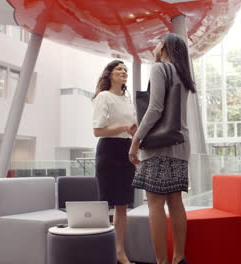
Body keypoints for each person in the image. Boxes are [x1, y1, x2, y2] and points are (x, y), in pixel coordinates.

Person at [128, 33, 196, 264]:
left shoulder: (159, 68)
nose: (155, 46)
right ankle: (178, 258)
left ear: (165, 47)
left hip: (158, 147)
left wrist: (136, 139)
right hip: (180, 143)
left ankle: (162, 261)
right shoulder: (184, 74)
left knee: (155, 203)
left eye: (158, 42)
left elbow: (155, 108)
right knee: (175, 200)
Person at [92, 60, 137, 264]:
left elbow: (130, 129)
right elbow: (97, 131)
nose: (124, 71)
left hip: (126, 151)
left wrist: (134, 134)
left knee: (123, 204)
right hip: (109, 150)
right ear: (110, 74)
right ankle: (100, 250)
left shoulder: (128, 101)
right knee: (106, 203)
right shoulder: (104, 97)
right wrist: (125, 128)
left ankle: (120, 252)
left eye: (126, 69)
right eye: (119, 69)